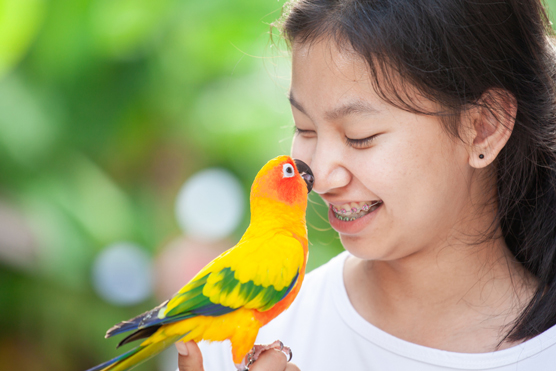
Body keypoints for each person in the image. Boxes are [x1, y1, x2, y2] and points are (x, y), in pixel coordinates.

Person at [177, 0, 556, 369]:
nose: (319, 176)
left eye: (360, 136)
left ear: (483, 129)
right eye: (303, 128)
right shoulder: (239, 339)